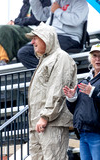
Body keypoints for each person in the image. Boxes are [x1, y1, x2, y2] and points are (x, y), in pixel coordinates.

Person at [27, 22, 77, 160]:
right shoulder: (46, 59)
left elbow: (58, 89)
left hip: (51, 122)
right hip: (38, 123)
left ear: (46, 38)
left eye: (35, 38)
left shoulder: (61, 57)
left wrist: (45, 116)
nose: (32, 42)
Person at [63, 43, 100, 160]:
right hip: (84, 132)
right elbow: (77, 110)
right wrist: (72, 98)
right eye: (94, 55)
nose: (97, 59)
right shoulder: (86, 80)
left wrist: (93, 92)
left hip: (99, 132)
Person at [17, 0, 89, 69]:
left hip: (68, 38)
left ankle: (50, 76)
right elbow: (40, 16)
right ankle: (46, 76)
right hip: (50, 37)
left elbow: (75, 20)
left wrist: (57, 11)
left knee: (43, 48)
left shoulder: (80, 2)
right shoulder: (57, 2)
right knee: (23, 53)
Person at [0, 0, 51, 67]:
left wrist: (17, 22)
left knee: (2, 30)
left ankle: (3, 59)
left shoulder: (45, 1)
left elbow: (36, 19)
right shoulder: (26, 3)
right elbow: (18, 18)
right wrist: (15, 22)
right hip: (23, 28)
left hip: (35, 29)